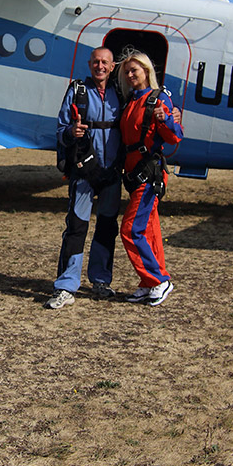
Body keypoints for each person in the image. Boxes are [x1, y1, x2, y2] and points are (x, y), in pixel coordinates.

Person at [47, 46, 123, 309]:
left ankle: (100, 280)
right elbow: (60, 129)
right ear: (90, 64)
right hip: (84, 170)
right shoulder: (77, 91)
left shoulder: (121, 93)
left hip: (111, 172)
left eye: (105, 62)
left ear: (112, 67)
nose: (100, 66)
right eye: (96, 62)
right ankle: (66, 285)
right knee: (77, 227)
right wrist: (71, 132)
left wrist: (172, 113)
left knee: (107, 227)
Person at [117, 49, 182, 306]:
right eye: (127, 72)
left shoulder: (157, 100)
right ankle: (148, 283)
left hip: (149, 173)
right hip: (134, 174)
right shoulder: (130, 101)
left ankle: (158, 280)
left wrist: (165, 119)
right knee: (150, 230)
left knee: (131, 230)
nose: (130, 75)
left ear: (146, 71)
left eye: (134, 70)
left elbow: (175, 137)